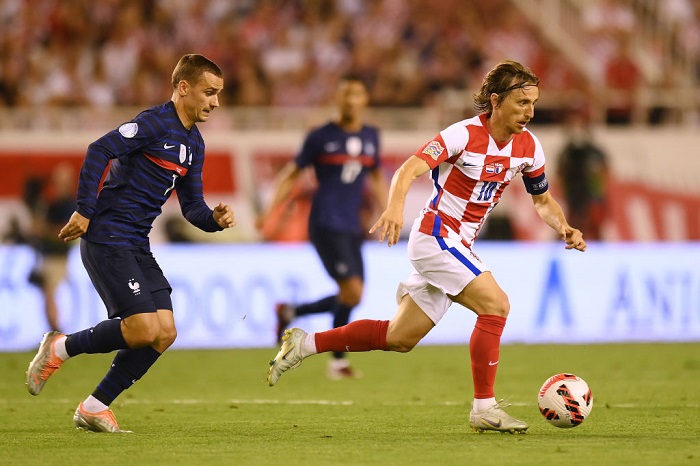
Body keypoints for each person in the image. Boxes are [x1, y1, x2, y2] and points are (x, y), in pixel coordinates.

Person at [267, 60, 587, 434]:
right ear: (496, 102)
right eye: (522, 103)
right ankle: (484, 407)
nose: (530, 112)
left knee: (399, 338)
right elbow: (409, 169)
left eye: (533, 103)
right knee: (496, 305)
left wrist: (564, 226)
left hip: (458, 244)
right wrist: (395, 207)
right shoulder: (463, 135)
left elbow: (543, 201)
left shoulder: (529, 147)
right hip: (436, 235)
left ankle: (305, 343)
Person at [25, 54, 236, 433]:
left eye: (218, 94)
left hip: (137, 243)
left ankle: (93, 406)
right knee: (141, 329)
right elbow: (99, 149)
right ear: (183, 88)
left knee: (165, 332)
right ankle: (60, 346)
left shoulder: (195, 144)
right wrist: (85, 210)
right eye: (209, 92)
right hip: (107, 236)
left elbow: (192, 207)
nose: (215, 102)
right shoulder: (154, 123)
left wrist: (214, 221)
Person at [257, 74, 388, 380]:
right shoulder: (320, 137)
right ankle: (337, 362)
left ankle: (291, 313)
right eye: (344, 95)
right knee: (352, 291)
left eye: (355, 95)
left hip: (353, 225)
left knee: (353, 296)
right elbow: (291, 174)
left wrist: (388, 211)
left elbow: (377, 176)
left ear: (364, 101)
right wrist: (270, 211)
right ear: (337, 100)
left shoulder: (371, 136)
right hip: (326, 224)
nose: (349, 101)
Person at [25, 165, 78, 332]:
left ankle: (56, 331)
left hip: (59, 257)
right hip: (48, 256)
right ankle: (54, 330)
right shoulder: (53, 204)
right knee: (48, 295)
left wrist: (44, 230)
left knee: (52, 295)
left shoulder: (70, 205)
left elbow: (64, 231)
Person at [557, 109, 609, 240]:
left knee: (593, 225)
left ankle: (601, 252)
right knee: (570, 223)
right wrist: (564, 191)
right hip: (573, 193)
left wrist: (599, 192)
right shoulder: (566, 152)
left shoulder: (594, 152)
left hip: (591, 193)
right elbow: (560, 173)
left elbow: (604, 171)